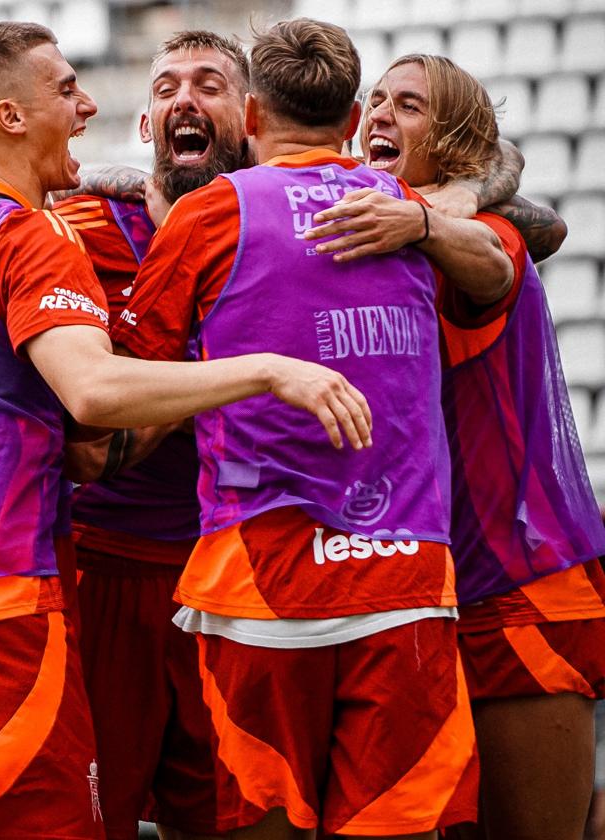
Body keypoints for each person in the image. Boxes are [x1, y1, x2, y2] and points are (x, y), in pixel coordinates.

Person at [0, 21, 373, 840]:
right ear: (13, 117)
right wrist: (269, 370)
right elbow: (93, 394)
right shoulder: (37, 238)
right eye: (66, 90)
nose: (89, 103)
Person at [113, 19, 516, 840]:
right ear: (350, 125)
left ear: (252, 116)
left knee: (264, 823)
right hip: (402, 579)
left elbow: (128, 396)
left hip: (260, 585)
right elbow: (505, 265)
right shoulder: (406, 209)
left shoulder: (211, 215)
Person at [312, 54, 605, 840]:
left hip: (518, 587)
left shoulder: (482, 236)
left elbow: (502, 252)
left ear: (454, 143)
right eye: (374, 101)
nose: (380, 114)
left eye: (408, 106)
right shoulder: (369, 240)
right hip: (413, 589)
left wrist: (430, 217)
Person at [45, 30, 253, 840]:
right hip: (106, 564)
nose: (185, 100)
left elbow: (534, 227)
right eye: (167, 88)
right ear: (145, 125)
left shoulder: (285, 222)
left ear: (253, 114)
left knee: (230, 818)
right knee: (95, 814)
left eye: (208, 84)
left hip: (236, 569)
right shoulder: (75, 228)